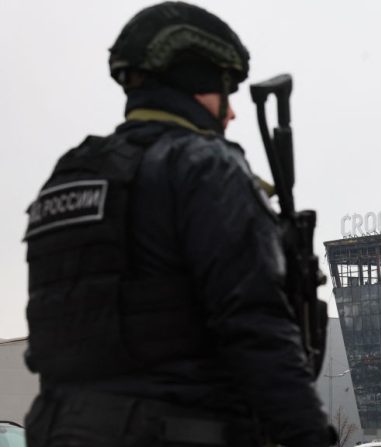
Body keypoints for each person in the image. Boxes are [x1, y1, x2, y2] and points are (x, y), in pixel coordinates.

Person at [23, 2, 330, 446]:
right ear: (197, 83)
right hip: (179, 430)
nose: (231, 113)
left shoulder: (70, 176)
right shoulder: (204, 166)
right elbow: (255, 327)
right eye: (226, 89)